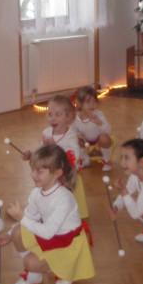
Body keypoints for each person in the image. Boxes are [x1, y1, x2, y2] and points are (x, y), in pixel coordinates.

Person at [1, 144, 95, 284]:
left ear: (57, 173)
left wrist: (21, 217)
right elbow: (30, 217)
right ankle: (35, 275)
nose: (33, 175)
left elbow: (47, 232)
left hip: (66, 243)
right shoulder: (36, 192)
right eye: (33, 169)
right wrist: (9, 234)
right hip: (50, 235)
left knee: (29, 262)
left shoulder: (64, 198)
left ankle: (64, 269)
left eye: (39, 171)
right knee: (16, 233)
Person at [23, 95, 91, 240]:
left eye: (58, 115)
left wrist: (55, 147)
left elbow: (73, 157)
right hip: (52, 171)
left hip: (67, 172)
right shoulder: (46, 133)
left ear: (69, 117)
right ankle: (43, 209)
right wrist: (32, 154)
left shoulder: (71, 136)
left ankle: (58, 212)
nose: (53, 118)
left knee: (54, 186)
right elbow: (43, 153)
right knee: (43, 180)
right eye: (50, 114)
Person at [73, 85, 113, 171]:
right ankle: (84, 158)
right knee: (76, 140)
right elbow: (73, 130)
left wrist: (100, 123)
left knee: (104, 138)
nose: (92, 105)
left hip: (98, 141)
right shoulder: (75, 118)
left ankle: (106, 160)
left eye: (94, 101)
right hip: (85, 142)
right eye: (88, 102)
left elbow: (108, 131)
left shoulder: (99, 114)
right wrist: (78, 135)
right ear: (80, 104)